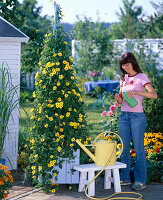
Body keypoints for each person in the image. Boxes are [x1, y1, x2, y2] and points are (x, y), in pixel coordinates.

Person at [115, 52, 157, 191]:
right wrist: (118, 99)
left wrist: (137, 92)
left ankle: (140, 180)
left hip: (137, 117)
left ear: (133, 63)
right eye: (123, 65)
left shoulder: (142, 77)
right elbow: (121, 100)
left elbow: (153, 95)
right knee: (124, 149)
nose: (125, 67)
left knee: (139, 149)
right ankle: (125, 178)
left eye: (127, 64)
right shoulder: (123, 79)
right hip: (124, 116)